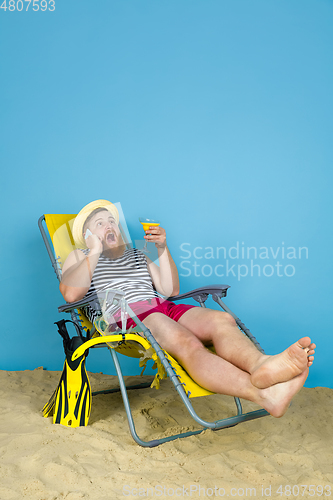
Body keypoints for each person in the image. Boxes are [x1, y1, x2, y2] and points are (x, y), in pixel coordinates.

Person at [60, 199, 316, 418]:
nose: (109, 226)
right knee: (186, 341)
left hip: (161, 307)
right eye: (100, 223)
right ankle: (263, 394)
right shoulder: (81, 256)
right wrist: (94, 251)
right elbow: (71, 294)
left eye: (111, 220)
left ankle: (261, 365)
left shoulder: (136, 253)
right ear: (87, 235)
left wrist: (161, 248)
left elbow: (170, 290)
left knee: (222, 319)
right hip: (127, 318)